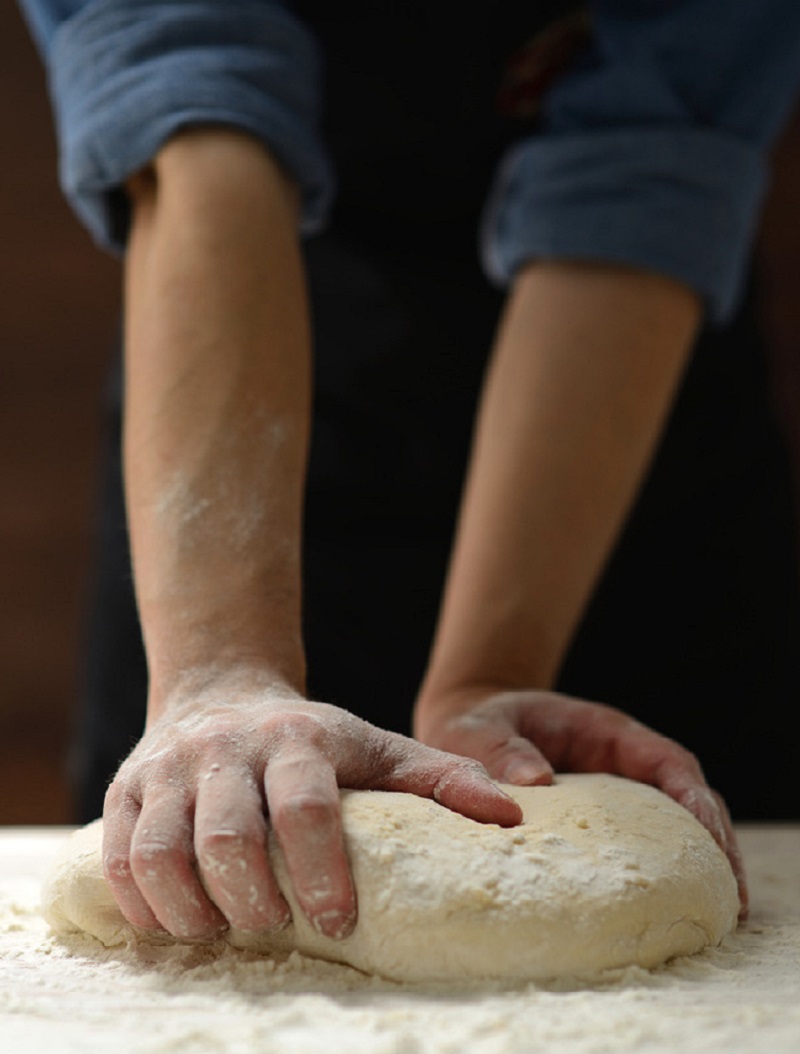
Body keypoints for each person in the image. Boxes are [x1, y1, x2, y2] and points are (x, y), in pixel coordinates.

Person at [16, 0, 800, 941]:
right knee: (197, 851)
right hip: (233, 389)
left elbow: (644, 169)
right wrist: (217, 670)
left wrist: (490, 676)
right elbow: (192, 101)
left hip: (619, 425)